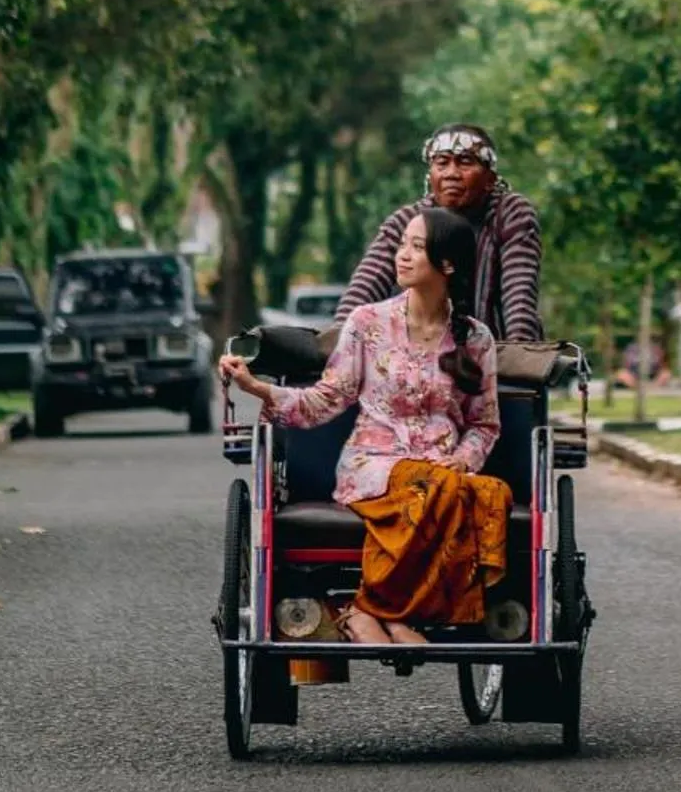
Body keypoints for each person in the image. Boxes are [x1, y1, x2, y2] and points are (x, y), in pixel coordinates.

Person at [220, 205, 509, 648]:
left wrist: (464, 459)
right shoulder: (367, 323)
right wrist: (256, 387)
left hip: (442, 471)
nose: (402, 255)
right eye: (402, 245)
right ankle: (386, 612)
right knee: (432, 489)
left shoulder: (476, 338)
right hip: (374, 467)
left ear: (448, 264)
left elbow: (484, 424)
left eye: (417, 247)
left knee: (491, 493)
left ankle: (377, 612)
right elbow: (325, 401)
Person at [333, 124, 543, 341]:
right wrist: (340, 340)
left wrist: (519, 350)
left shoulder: (509, 213)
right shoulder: (408, 220)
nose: (451, 174)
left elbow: (520, 297)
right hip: (420, 350)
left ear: (489, 179)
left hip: (498, 349)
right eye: (442, 163)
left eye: (465, 162)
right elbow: (365, 285)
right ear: (430, 175)